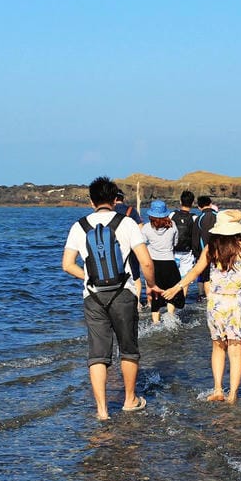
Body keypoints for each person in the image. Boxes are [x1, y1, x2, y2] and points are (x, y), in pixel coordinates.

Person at [63, 176, 160, 420]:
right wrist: (151, 285)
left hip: (92, 296)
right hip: (123, 293)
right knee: (128, 349)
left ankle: (102, 411)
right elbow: (146, 261)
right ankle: (129, 400)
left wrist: (87, 277)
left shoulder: (79, 226)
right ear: (115, 199)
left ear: (91, 201)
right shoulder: (126, 224)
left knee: (98, 354)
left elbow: (67, 265)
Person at [163, 209, 241, 403]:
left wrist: (177, 287)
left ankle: (218, 389)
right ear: (235, 229)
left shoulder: (211, 248)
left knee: (218, 347)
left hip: (217, 303)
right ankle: (232, 395)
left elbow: (196, 271)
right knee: (236, 351)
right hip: (238, 303)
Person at [140, 199, 184, 324]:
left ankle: (156, 322)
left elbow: (141, 244)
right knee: (170, 292)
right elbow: (175, 242)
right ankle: (170, 317)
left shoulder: (147, 228)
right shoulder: (173, 225)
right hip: (170, 263)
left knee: (155, 294)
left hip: (154, 264)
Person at [170, 190, 198, 281]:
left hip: (173, 252)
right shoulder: (194, 218)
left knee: (172, 278)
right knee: (185, 279)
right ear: (193, 203)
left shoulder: (172, 215)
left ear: (180, 201)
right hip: (187, 253)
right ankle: (183, 295)